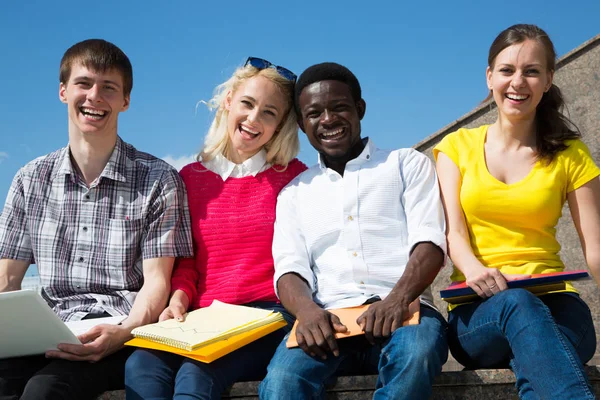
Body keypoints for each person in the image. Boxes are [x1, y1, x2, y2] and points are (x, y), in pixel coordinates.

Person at [0, 39, 193, 400]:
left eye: (109, 88)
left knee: (44, 391)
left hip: (120, 329)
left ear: (125, 101)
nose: (94, 97)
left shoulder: (158, 179)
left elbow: (156, 281)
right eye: (83, 83)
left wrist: (126, 332)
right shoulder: (30, 179)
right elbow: (6, 279)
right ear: (63, 91)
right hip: (46, 326)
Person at [258, 62, 448, 400]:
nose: (328, 119)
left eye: (339, 107)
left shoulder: (406, 164)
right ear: (302, 125)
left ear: (359, 109)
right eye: (314, 113)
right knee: (281, 382)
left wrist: (396, 299)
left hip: (405, 313)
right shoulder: (294, 193)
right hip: (329, 322)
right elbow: (289, 270)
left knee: (416, 355)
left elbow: (430, 243)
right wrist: (307, 312)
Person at [124, 57, 307, 400]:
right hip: (202, 316)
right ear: (228, 102)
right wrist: (179, 299)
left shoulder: (295, 176)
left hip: (267, 315)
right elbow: (188, 261)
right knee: (141, 366)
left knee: (196, 374)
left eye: (269, 112)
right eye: (247, 104)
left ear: (280, 125)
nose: (254, 119)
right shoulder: (189, 179)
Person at [434, 24, 600, 399]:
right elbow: (453, 234)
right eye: (507, 70)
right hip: (477, 313)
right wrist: (475, 270)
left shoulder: (572, 155)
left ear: (548, 80)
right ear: (490, 76)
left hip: (558, 305)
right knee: (519, 307)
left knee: (536, 346)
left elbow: (596, 248)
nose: (518, 82)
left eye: (532, 71)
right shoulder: (456, 148)